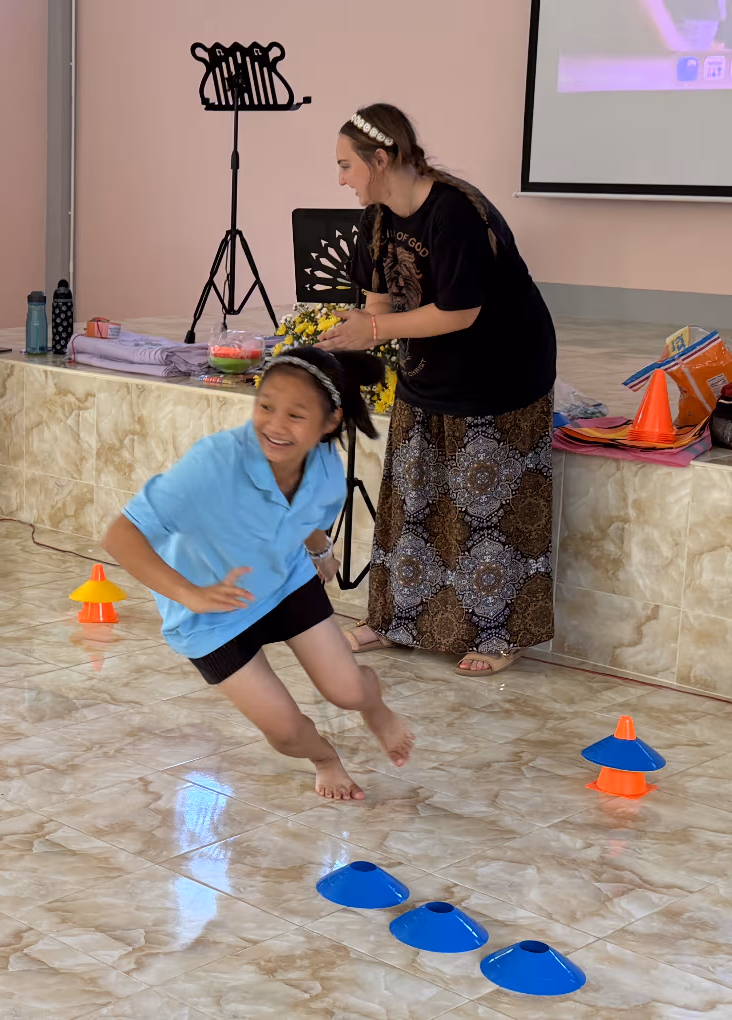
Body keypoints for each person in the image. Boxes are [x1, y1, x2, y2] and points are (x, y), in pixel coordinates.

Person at [102, 347, 415, 801]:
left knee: (348, 690)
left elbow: (306, 512)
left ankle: (375, 709)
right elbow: (120, 535)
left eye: (295, 415)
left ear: (329, 423)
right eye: (266, 406)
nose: (275, 425)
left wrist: (320, 549)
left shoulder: (327, 470)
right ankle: (325, 759)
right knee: (285, 732)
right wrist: (191, 594)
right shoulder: (214, 462)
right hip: (208, 616)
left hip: (284, 583)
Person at [318, 104, 557, 677]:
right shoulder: (376, 220)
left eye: (346, 166)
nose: (341, 179)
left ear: (381, 160)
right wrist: (349, 345)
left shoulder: (457, 212)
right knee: (411, 500)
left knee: (490, 511)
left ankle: (502, 636)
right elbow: (377, 306)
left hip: (501, 374)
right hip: (428, 373)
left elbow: (459, 312)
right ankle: (394, 619)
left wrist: (374, 329)